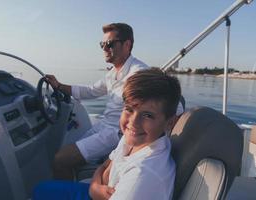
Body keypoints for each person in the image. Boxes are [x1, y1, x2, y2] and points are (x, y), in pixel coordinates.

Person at [33, 67, 180, 200]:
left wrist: (94, 190)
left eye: (148, 115)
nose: (133, 123)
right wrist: (94, 187)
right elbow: (106, 164)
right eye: (129, 109)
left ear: (169, 123)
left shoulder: (142, 177)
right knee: (40, 189)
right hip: (97, 191)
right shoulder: (132, 138)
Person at [46, 23, 148, 180]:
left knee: (60, 160)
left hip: (116, 133)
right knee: (68, 152)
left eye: (109, 44)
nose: (104, 49)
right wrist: (59, 86)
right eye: (102, 44)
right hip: (103, 126)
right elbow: (90, 91)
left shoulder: (139, 74)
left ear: (127, 44)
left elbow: (167, 108)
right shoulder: (113, 72)